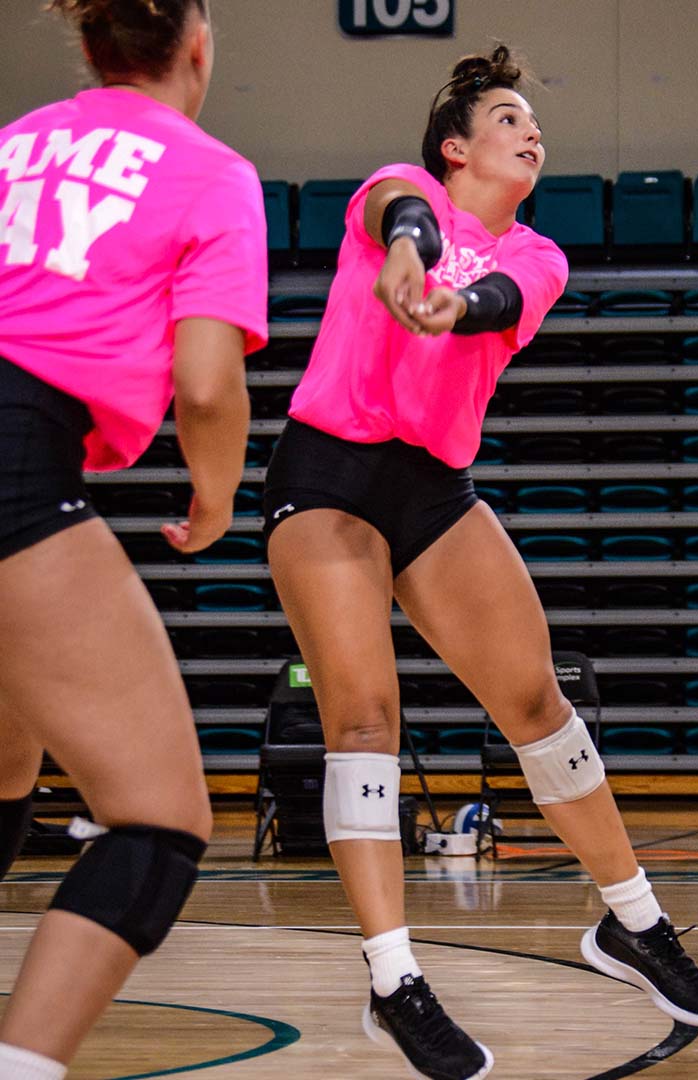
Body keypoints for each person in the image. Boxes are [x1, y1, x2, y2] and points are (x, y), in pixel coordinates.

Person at [264, 45, 698, 1080]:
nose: (530, 130)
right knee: (365, 718)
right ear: (455, 147)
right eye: (507, 116)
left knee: (538, 707)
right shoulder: (401, 190)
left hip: (433, 486)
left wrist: (447, 306)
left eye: (533, 120)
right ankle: (394, 981)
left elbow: (506, 299)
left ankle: (632, 923)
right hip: (327, 468)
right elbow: (400, 213)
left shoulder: (546, 255)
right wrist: (409, 252)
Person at [0, 1, 267, 1076]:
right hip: (19, 455)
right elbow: (207, 385)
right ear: (198, 44)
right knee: (158, 824)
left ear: (90, 46)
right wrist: (213, 495)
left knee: (11, 754)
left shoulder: (13, 144)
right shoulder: (208, 171)